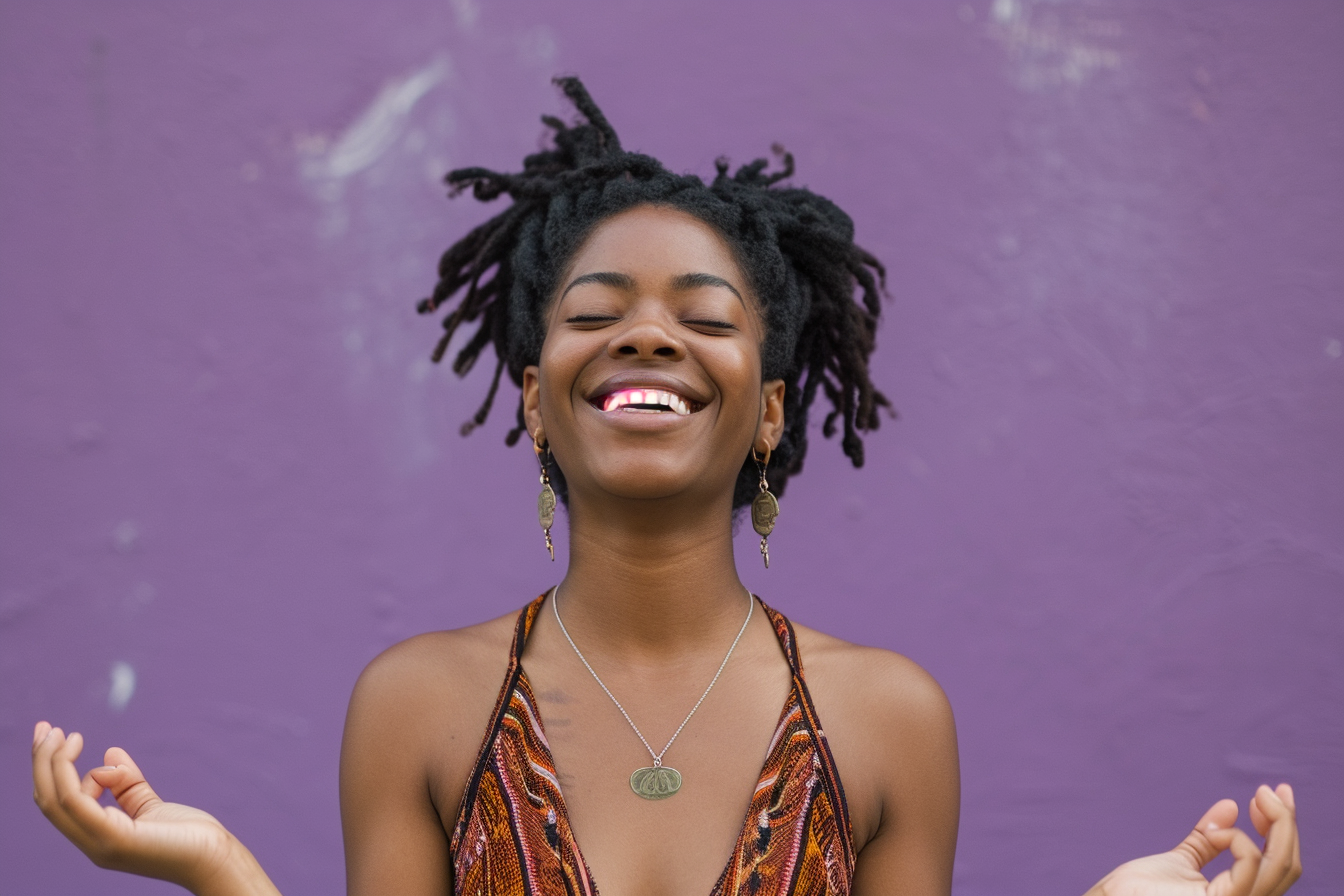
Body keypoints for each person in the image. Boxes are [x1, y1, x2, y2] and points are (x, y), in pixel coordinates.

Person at [32, 77, 1301, 896]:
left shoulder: (888, 716)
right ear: (536, 398)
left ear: (772, 410)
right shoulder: (417, 703)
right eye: (597, 313)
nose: (646, 335)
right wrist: (219, 873)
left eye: (703, 317)